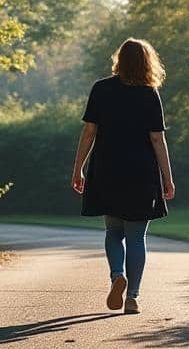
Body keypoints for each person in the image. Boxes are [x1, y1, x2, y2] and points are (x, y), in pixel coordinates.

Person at [71, 38, 176, 315]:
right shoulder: (149, 93)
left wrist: (78, 168)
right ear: (147, 62)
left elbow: (89, 133)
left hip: (107, 169)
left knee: (113, 232)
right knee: (137, 237)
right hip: (141, 173)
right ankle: (132, 297)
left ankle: (117, 275)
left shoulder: (101, 89)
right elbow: (157, 140)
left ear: (119, 60)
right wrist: (168, 177)